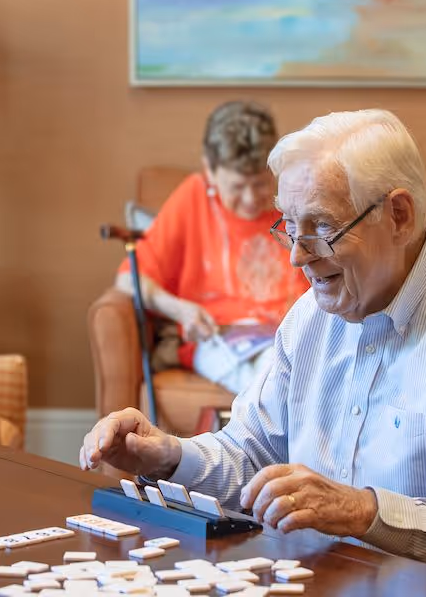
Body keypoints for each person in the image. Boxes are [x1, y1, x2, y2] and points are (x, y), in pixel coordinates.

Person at [82, 109, 426, 587]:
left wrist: (365, 511)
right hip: (322, 581)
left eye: (320, 227)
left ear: (399, 216)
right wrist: (168, 457)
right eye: (290, 227)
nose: (297, 257)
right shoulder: (310, 318)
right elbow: (250, 455)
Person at [114, 101, 309, 394]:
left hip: (290, 338)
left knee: (275, 367)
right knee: (270, 381)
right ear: (210, 169)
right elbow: (128, 280)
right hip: (216, 339)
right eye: (237, 187)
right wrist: (181, 311)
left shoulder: (292, 193)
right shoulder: (194, 196)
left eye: (260, 184)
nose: (250, 198)